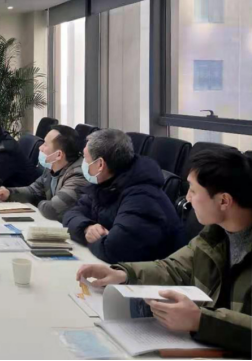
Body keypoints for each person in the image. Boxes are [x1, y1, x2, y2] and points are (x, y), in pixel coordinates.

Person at [77, 148, 251, 355]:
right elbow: (174, 268)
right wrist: (124, 274)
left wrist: (201, 321)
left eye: (193, 191)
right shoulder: (214, 235)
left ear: (224, 201)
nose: (187, 199)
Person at [63, 129, 185, 263]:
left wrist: (94, 239)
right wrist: (87, 228)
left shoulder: (142, 197)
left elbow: (113, 249)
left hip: (149, 273)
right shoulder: (104, 184)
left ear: (100, 164)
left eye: (86, 158)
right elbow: (70, 214)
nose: (83, 163)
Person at [0, 125, 87, 221]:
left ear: (58, 155)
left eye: (45, 144)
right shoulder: (52, 167)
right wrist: (9, 193)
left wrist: (38, 201)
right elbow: (33, 191)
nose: (40, 147)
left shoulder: (78, 175)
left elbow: (52, 209)